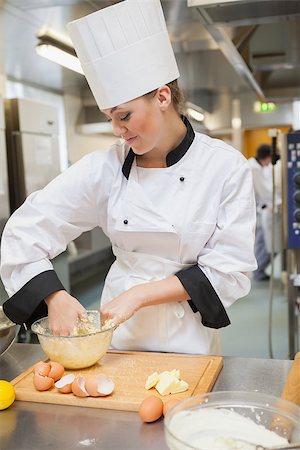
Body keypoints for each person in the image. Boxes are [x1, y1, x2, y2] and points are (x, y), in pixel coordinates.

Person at [0, 0, 257, 355]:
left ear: (163, 96)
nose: (117, 130)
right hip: (115, 338)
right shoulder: (102, 168)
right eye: (110, 117)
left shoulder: (225, 167)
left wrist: (140, 295)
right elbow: (24, 230)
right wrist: (54, 296)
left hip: (189, 344)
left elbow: (230, 271)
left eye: (124, 115)